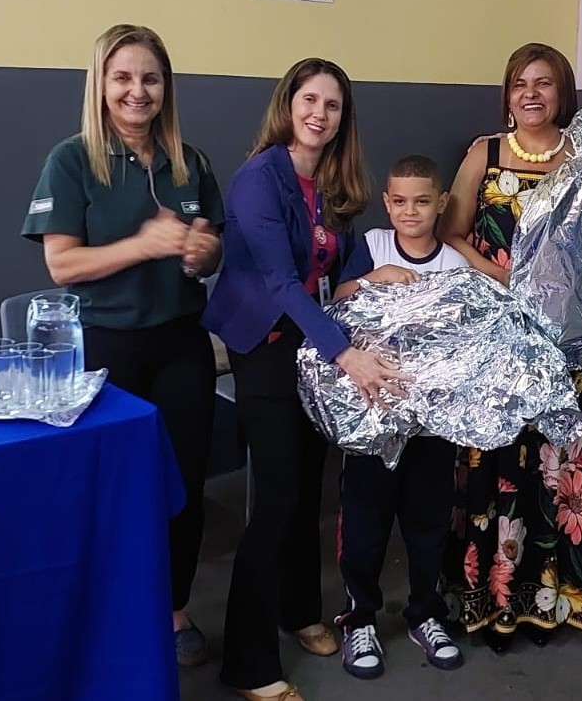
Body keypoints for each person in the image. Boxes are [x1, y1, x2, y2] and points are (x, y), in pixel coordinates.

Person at [202, 58, 408, 701]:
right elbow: (281, 283)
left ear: (344, 118)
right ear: (288, 104)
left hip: (310, 342)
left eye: (333, 105)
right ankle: (249, 664)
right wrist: (346, 355)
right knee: (278, 500)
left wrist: (369, 282)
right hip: (264, 342)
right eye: (309, 99)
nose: (320, 113)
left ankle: (300, 612)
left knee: (309, 486)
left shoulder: (334, 181)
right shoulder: (258, 178)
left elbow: (338, 271)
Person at [21, 23, 223, 668]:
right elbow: (62, 266)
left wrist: (200, 252)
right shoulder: (71, 160)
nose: (138, 91)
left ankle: (174, 609)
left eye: (151, 79)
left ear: (167, 87)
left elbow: (213, 250)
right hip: (107, 348)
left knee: (182, 484)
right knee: (115, 487)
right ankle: (111, 609)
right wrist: (142, 244)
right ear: (101, 85)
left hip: (182, 345)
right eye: (124, 77)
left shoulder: (191, 163)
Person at [441, 43, 582, 652]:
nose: (531, 94)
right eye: (519, 83)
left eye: (544, 83)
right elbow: (452, 232)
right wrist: (504, 276)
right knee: (499, 462)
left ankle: (553, 599)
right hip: (498, 339)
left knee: (562, 464)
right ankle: (495, 601)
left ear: (563, 93)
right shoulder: (484, 154)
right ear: (507, 95)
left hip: (567, 346)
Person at [332, 155, 469, 679]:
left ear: (441, 203)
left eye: (422, 201)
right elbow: (337, 301)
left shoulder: (453, 265)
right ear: (387, 203)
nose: (410, 211)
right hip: (374, 416)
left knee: (429, 519)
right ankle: (359, 617)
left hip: (432, 423)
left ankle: (425, 613)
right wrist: (374, 279)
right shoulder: (373, 247)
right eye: (400, 201)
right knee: (364, 521)